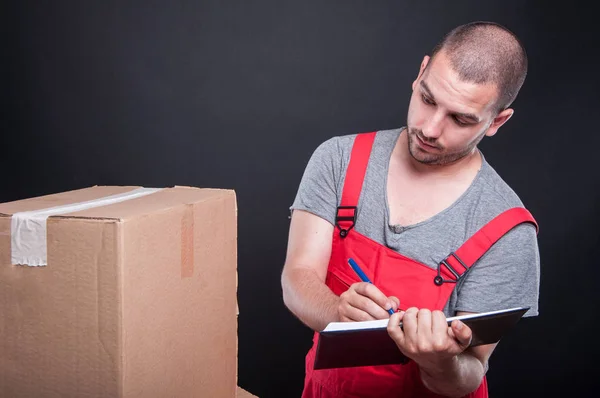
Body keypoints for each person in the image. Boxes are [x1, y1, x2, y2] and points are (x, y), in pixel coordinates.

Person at [281, 21, 540, 398]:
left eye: (461, 119)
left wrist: (440, 361)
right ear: (420, 74)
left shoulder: (508, 231)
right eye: (428, 98)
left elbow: (471, 370)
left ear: (497, 121)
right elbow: (297, 278)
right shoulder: (338, 160)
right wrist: (339, 311)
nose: (431, 129)